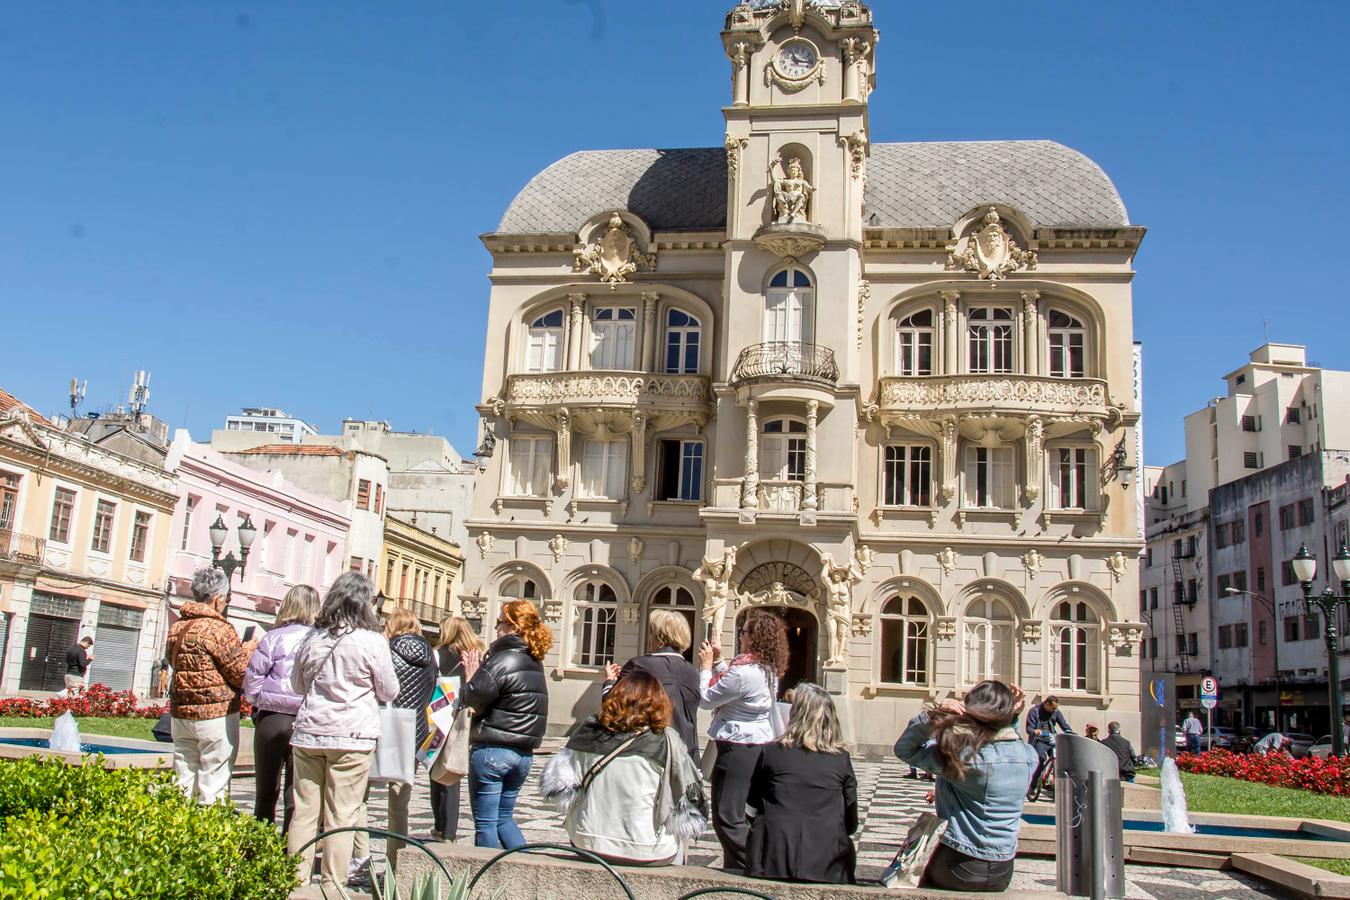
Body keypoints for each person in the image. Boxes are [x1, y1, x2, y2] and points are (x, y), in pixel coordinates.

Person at [287, 572, 399, 889]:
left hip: (309, 733)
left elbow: (297, 685)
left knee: (305, 812)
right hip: (353, 736)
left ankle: (294, 881)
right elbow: (390, 691)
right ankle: (333, 885)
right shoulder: (373, 642)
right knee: (342, 814)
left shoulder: (312, 638)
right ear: (366, 605)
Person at [540, 671, 706, 865]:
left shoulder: (590, 731)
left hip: (589, 841)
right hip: (649, 849)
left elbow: (557, 786)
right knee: (678, 848)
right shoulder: (668, 741)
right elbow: (692, 800)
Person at [895, 681, 1038, 893]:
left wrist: (934, 715)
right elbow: (1007, 741)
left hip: (956, 863)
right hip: (1002, 870)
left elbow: (906, 750)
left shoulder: (963, 757)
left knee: (906, 871)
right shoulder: (1028, 756)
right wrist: (1011, 715)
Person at [697, 609, 789, 873]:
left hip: (736, 745)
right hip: (754, 742)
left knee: (727, 816)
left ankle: (754, 863)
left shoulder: (746, 671)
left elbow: (708, 698)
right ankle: (738, 865)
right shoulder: (765, 668)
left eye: (744, 631)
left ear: (755, 638)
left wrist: (705, 667)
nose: (740, 635)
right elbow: (734, 684)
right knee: (740, 812)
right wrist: (719, 660)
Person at [744, 683, 858, 885]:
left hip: (770, 860)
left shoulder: (771, 752)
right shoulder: (841, 759)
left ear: (795, 714)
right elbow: (851, 824)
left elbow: (751, 808)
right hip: (828, 864)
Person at [460, 599, 551, 849]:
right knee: (504, 820)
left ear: (512, 626)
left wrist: (470, 678)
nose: (497, 629)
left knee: (486, 824)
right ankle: (524, 872)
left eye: (500, 623)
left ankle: (486, 881)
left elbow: (475, 697)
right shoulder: (534, 660)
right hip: (523, 754)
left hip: (493, 750)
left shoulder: (503, 658)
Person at [165, 567, 257, 805]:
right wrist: (248, 649)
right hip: (215, 714)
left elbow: (171, 661)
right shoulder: (219, 629)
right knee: (214, 779)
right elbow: (239, 673)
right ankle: (208, 830)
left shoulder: (178, 627)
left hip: (181, 712)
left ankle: (177, 827)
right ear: (217, 599)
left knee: (183, 775)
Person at [242, 584, 319, 831]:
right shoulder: (318, 640)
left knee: (266, 790)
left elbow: (253, 678)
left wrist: (258, 702)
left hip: (271, 718)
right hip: (303, 719)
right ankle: (290, 848)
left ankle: (260, 847)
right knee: (297, 792)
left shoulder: (273, 637)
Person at [380, 607, 439, 870]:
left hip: (382, 728)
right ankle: (396, 859)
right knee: (400, 801)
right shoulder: (431, 656)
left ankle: (358, 854)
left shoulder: (386, 650)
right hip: (414, 733)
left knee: (358, 797)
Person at [602, 609, 700, 763]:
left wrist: (609, 681)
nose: (649, 638)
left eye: (651, 633)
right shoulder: (692, 672)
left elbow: (612, 705)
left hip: (647, 754)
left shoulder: (639, 665)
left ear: (659, 638)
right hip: (685, 755)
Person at [429, 615, 484, 842]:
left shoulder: (437, 654)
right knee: (455, 766)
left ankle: (443, 827)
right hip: (469, 715)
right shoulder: (479, 653)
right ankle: (447, 828)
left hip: (442, 715)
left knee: (438, 770)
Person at [1025, 695, 1073, 794]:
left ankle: (1058, 785)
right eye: (1053, 708)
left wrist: (1070, 732)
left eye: (1056, 708)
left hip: (1052, 738)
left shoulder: (1056, 712)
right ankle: (1032, 786)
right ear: (1047, 704)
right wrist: (1035, 732)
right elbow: (1029, 729)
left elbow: (1064, 725)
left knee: (1061, 760)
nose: (1055, 710)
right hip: (1040, 740)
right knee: (1040, 760)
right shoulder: (1034, 711)